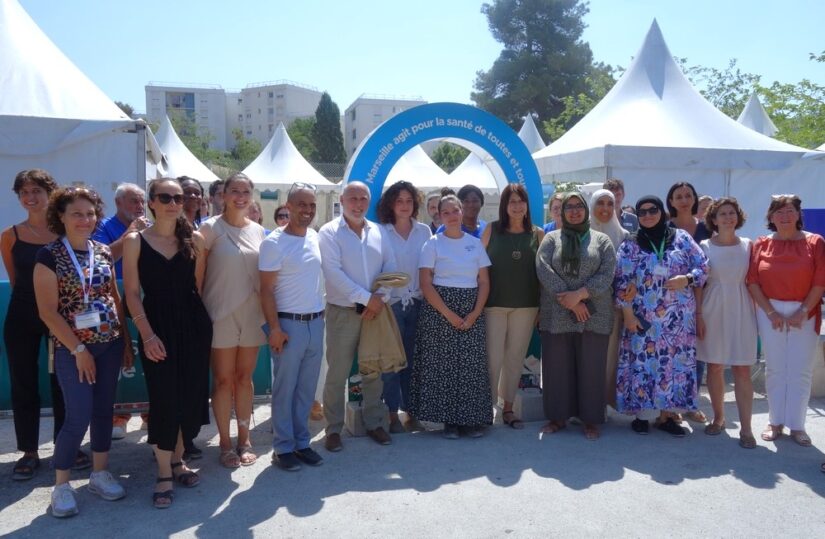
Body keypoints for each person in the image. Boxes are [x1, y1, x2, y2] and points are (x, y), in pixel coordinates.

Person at [33, 187, 133, 518]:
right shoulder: (49, 256)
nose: (85, 220)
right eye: (77, 213)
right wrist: (78, 349)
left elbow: (114, 296)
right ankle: (61, 486)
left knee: (104, 411)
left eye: (90, 214)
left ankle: (99, 474)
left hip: (110, 344)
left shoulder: (102, 251)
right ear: (60, 216)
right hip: (72, 349)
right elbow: (48, 312)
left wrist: (126, 341)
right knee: (77, 416)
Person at [121, 179, 212, 507]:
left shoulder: (195, 239)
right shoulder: (135, 241)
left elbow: (197, 287)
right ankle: (163, 472)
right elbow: (131, 292)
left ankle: (177, 460)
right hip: (156, 325)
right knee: (163, 398)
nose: (174, 202)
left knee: (189, 397)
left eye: (179, 197)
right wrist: (146, 334)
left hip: (193, 325)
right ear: (152, 202)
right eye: (166, 197)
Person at [2, 169, 90, 480]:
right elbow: (16, 281)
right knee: (23, 382)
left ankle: (65, 446)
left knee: (63, 383)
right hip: (23, 317)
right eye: (24, 192)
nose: (31, 197)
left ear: (49, 194)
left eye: (37, 190)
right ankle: (28, 451)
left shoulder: (65, 234)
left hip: (61, 317)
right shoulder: (9, 235)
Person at [614, 196, 708, 437]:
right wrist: (627, 314)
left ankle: (666, 416)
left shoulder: (682, 239)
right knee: (643, 366)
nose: (647, 216)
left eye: (652, 210)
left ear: (662, 212)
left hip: (677, 320)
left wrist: (686, 279)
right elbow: (621, 281)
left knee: (673, 366)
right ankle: (643, 416)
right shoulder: (630, 245)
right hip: (643, 319)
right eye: (642, 212)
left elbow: (704, 266)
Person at [319, 181, 397, 450]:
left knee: (372, 370)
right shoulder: (329, 232)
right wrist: (368, 300)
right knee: (337, 372)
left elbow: (391, 267)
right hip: (343, 312)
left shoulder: (378, 231)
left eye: (363, 198)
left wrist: (381, 296)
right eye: (352, 198)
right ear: (342, 199)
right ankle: (333, 430)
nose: (358, 203)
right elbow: (333, 274)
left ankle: (374, 423)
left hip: (375, 311)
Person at [409, 190, 493, 439]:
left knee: (471, 366)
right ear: (439, 216)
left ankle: (470, 419)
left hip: (471, 307)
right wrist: (448, 314)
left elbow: (484, 282)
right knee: (443, 366)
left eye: (455, 210)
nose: (452, 215)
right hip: (439, 309)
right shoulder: (432, 243)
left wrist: (475, 313)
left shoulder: (475, 244)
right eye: (445, 212)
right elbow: (425, 283)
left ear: (461, 211)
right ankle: (450, 422)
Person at [746, 194, 825, 447]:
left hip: (806, 310)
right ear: (770, 216)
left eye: (790, 211)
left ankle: (797, 425)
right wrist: (770, 312)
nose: (785, 216)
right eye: (779, 211)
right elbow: (753, 281)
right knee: (776, 368)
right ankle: (775, 420)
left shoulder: (815, 242)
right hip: (769, 311)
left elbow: (820, 281)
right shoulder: (761, 243)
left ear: (799, 214)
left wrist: (803, 311)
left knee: (800, 371)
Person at [199, 172, 267, 468]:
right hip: (219, 314)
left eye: (245, 192)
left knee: (244, 379)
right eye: (234, 191)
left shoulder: (259, 231)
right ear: (222, 195)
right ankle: (225, 443)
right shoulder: (208, 229)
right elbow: (197, 278)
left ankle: (245, 439)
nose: (240, 196)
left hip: (251, 314)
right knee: (224, 380)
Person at [536, 192, 616, 440]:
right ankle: (558, 417)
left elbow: (607, 273)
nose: (573, 211)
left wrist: (581, 294)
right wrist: (570, 300)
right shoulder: (551, 239)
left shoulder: (602, 240)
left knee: (591, 368)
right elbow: (542, 267)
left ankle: (590, 419)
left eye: (578, 206)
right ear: (561, 212)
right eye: (568, 207)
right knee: (557, 367)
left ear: (586, 210)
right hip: (557, 312)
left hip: (594, 313)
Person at [260, 183, 325, 471]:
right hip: (288, 325)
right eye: (302, 204)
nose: (307, 210)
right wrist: (274, 328)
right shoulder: (274, 243)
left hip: (316, 322)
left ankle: (302, 442)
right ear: (288, 205)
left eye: (311, 205)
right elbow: (265, 290)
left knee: (306, 389)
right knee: (285, 389)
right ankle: (283, 447)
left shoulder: (314, 236)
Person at [694, 197, 758, 448]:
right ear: (714, 218)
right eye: (722, 214)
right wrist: (699, 314)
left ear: (738, 216)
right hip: (712, 307)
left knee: (742, 368)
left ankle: (746, 428)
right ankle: (718, 418)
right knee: (716, 367)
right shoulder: (704, 245)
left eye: (732, 213)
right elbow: (699, 284)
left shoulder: (749, 245)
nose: (728, 217)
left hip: (742, 308)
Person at [481, 183, 543, 430]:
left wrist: (542, 308)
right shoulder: (491, 230)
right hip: (493, 304)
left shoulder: (538, 234)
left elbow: (543, 274)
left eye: (521, 201)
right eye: (512, 202)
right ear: (504, 206)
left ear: (527, 205)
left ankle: (508, 408)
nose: (517, 206)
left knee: (515, 358)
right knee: (492, 358)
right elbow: (478, 268)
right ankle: (486, 408)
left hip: (527, 305)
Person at [92, 183, 150, 440]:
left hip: (144, 297)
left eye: (141, 201)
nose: (139, 206)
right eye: (133, 201)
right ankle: (119, 417)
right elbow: (103, 258)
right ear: (118, 203)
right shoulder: (102, 226)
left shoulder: (150, 225)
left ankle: (150, 415)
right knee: (121, 358)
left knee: (148, 355)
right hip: (113, 298)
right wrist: (130, 233)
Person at [376, 181, 431, 433]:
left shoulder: (423, 232)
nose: (405, 206)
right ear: (390, 204)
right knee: (391, 362)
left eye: (409, 201)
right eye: (399, 201)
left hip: (418, 303)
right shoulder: (381, 232)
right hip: (391, 304)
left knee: (412, 360)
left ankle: (412, 412)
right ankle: (391, 414)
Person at [666, 180, 711, 424]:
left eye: (687, 195)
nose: (684, 200)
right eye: (678, 196)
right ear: (671, 202)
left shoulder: (707, 229)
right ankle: (673, 406)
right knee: (674, 356)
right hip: (673, 304)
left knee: (697, 354)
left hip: (704, 298)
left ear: (694, 199)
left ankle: (691, 404)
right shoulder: (664, 229)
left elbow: (707, 266)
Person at [588, 189, 629, 409]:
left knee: (609, 355)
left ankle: (603, 403)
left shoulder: (622, 236)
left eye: (609, 203)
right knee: (588, 355)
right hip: (584, 304)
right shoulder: (582, 232)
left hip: (613, 305)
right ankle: (586, 403)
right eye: (600, 203)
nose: (605, 208)